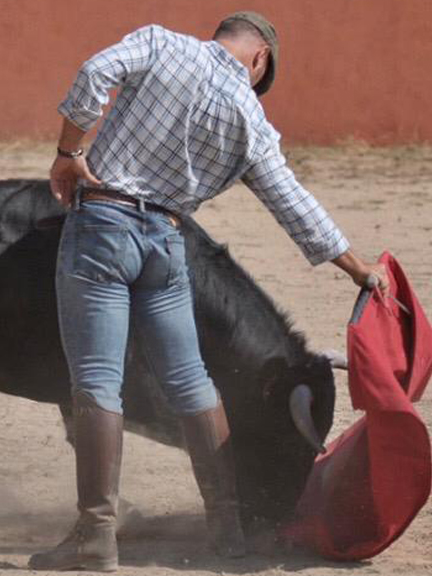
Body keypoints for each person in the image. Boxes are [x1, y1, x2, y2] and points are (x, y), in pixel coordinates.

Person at [29, 11, 387, 572]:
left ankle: (94, 537)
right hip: (169, 242)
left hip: (103, 226)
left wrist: (69, 152)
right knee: (192, 381)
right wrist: (356, 268)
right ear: (260, 58)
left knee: (98, 379)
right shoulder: (251, 116)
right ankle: (228, 532)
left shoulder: (160, 44)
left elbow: (95, 72)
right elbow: (292, 204)